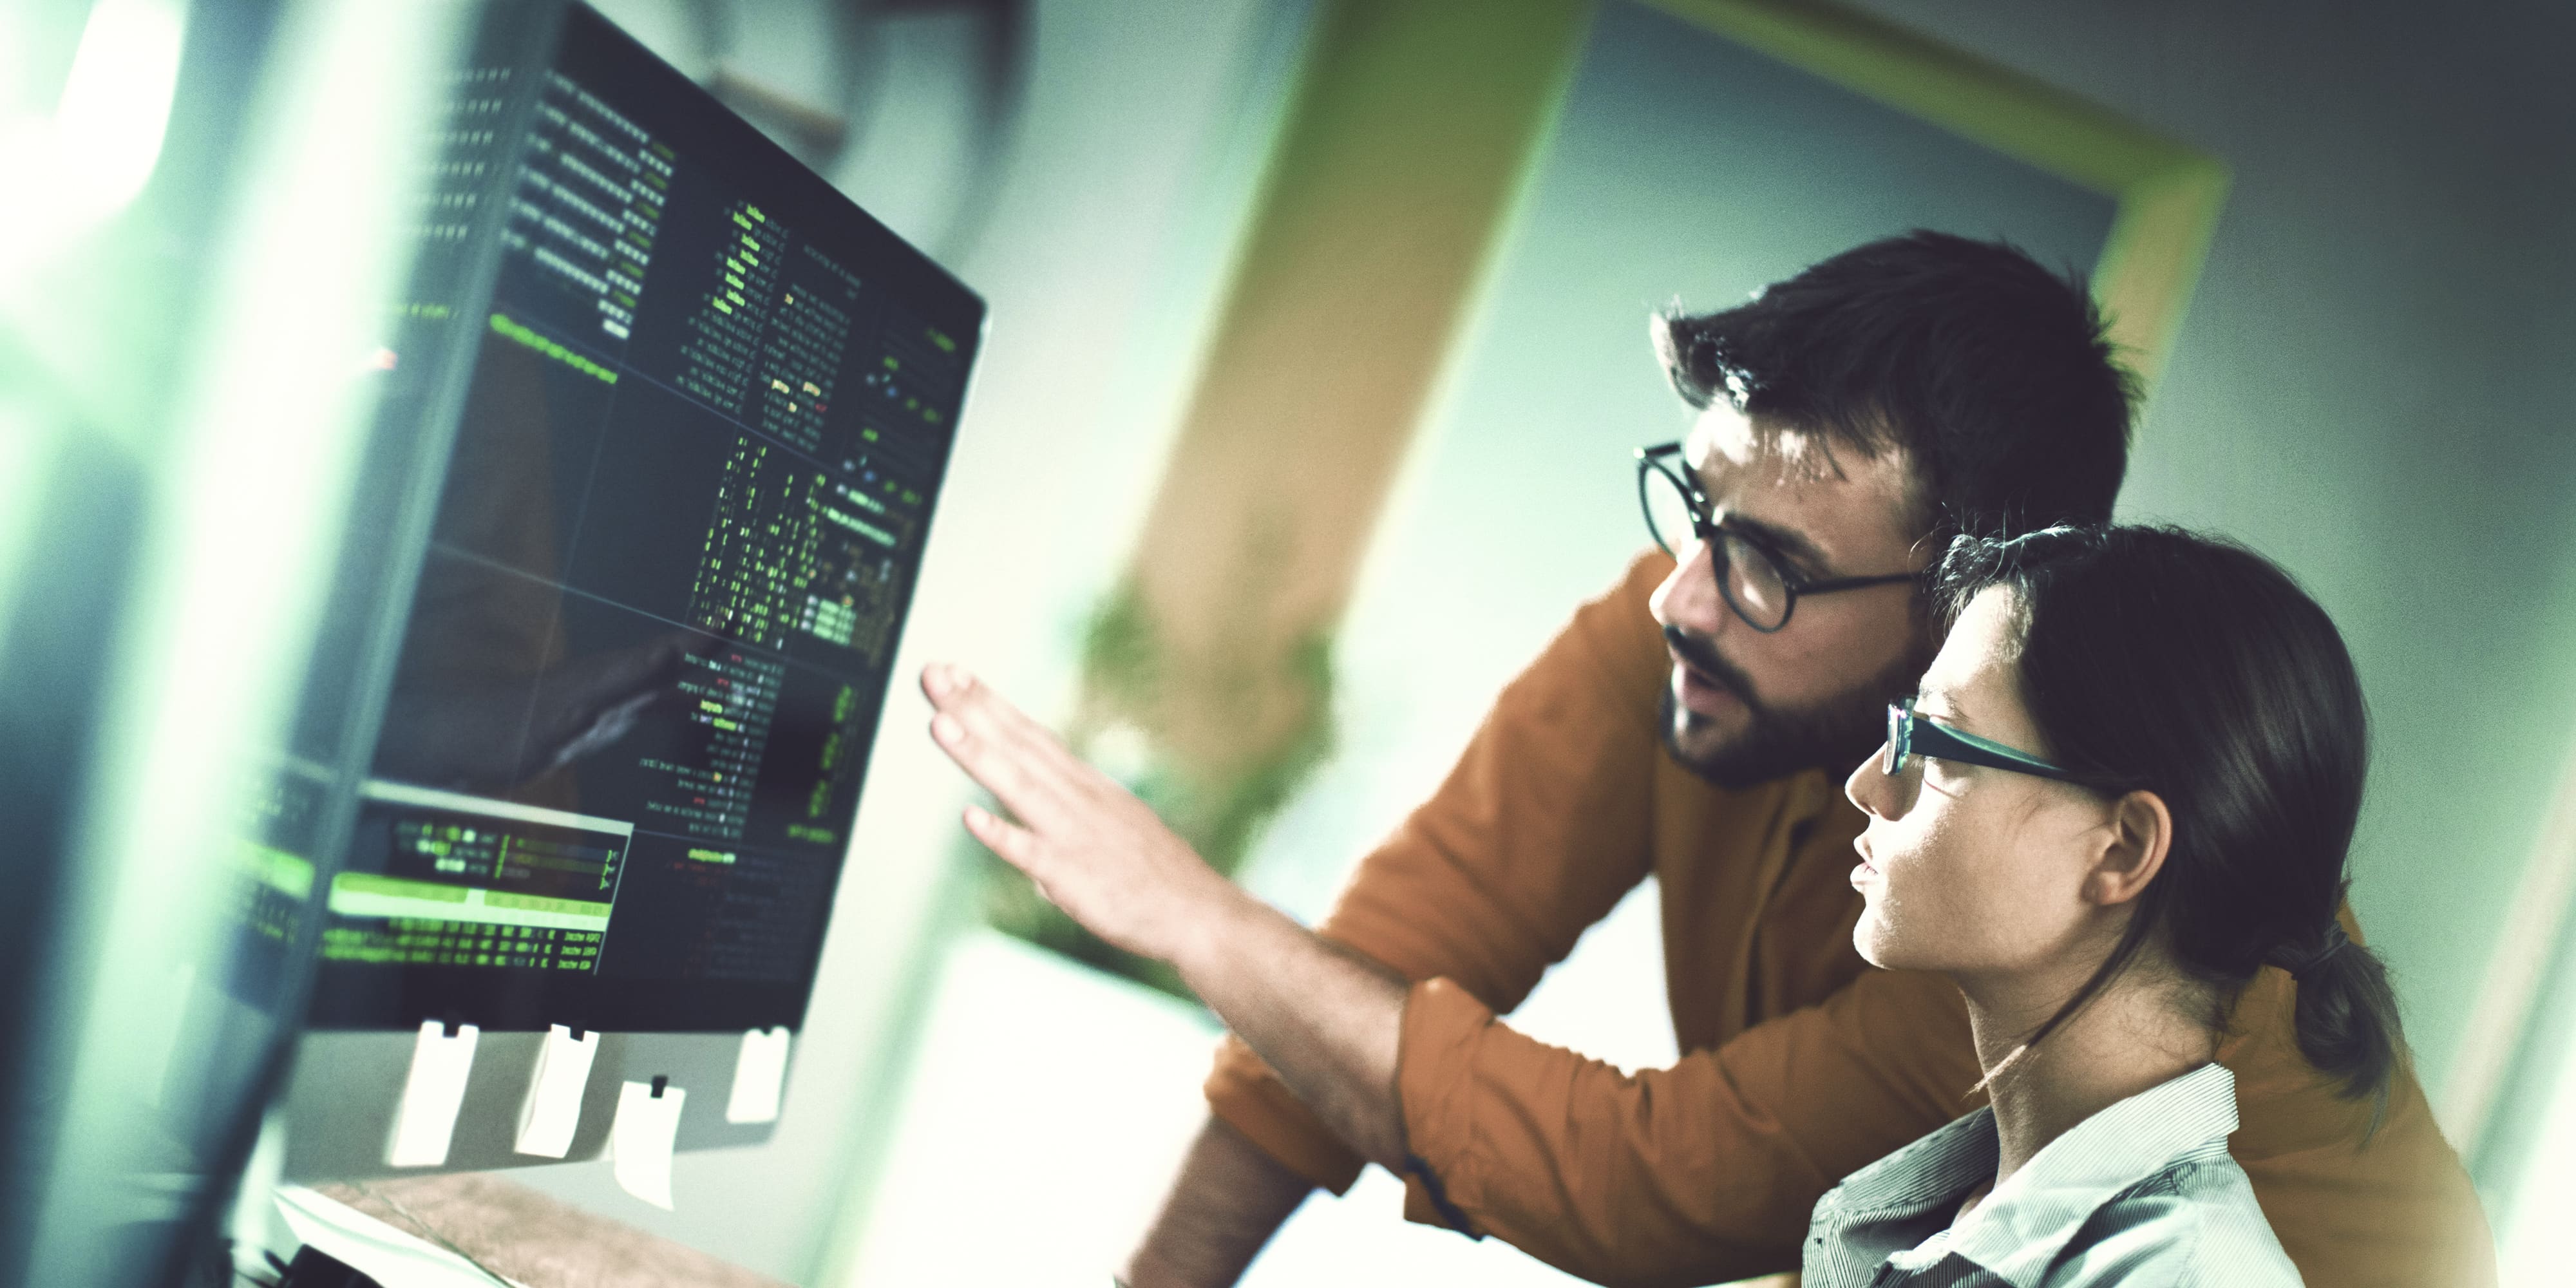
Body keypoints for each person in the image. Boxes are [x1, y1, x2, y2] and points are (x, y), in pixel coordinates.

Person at [921, 232, 2494, 1287]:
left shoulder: (2055, 930)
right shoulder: (1699, 632)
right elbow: (1384, 958)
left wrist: (1194, 911)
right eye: (1696, 501)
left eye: (1769, 561)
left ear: (1963, 613)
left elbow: (1640, 1182)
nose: (1680, 593)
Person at [1811, 524, 2398, 1286]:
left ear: (2120, 849)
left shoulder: (2184, 1274)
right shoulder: (1923, 1219)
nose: (1869, 785)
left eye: (1936, 738)